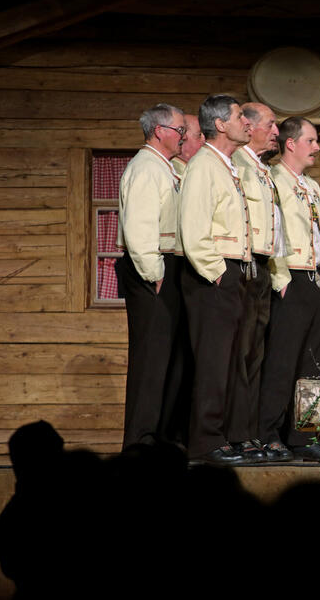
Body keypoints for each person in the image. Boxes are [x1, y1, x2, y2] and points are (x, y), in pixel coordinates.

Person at [179, 94, 257, 464]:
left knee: (232, 360)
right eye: (241, 116)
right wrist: (218, 273)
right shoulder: (204, 165)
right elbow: (194, 229)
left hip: (232, 271)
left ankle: (232, 435)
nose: (247, 122)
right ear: (221, 124)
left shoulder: (227, 164)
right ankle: (205, 441)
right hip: (213, 274)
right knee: (213, 360)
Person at [257, 117, 320, 461]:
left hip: (319, 278)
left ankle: (303, 434)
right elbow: (272, 231)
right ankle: (268, 433)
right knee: (283, 361)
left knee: (313, 363)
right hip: (293, 279)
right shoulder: (274, 179)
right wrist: (282, 279)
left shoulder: (312, 185)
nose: (317, 147)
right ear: (291, 144)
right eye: (311, 141)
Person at [115, 103, 187, 449]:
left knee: (169, 357)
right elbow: (139, 226)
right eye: (179, 130)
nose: (183, 136)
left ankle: (161, 437)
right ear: (160, 131)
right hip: (153, 268)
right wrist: (153, 271)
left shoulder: (165, 167)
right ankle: (141, 441)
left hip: (167, 266)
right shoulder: (146, 167)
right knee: (151, 357)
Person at [226, 102, 288, 462]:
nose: (276, 131)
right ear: (249, 127)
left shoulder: (262, 169)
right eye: (271, 124)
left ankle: (251, 432)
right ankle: (238, 433)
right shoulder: (237, 163)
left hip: (263, 267)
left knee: (254, 356)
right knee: (240, 354)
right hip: (243, 266)